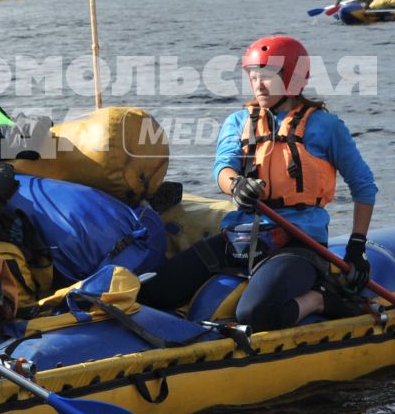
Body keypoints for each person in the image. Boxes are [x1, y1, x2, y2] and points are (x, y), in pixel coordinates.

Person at [141, 35, 377, 330]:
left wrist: (357, 246)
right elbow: (223, 167)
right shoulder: (239, 121)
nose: (258, 85)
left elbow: (363, 186)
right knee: (152, 293)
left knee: (254, 315)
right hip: (240, 237)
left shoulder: (326, 127)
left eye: (267, 77)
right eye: (253, 77)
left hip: (298, 243)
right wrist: (236, 185)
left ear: (292, 78)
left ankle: (319, 299)